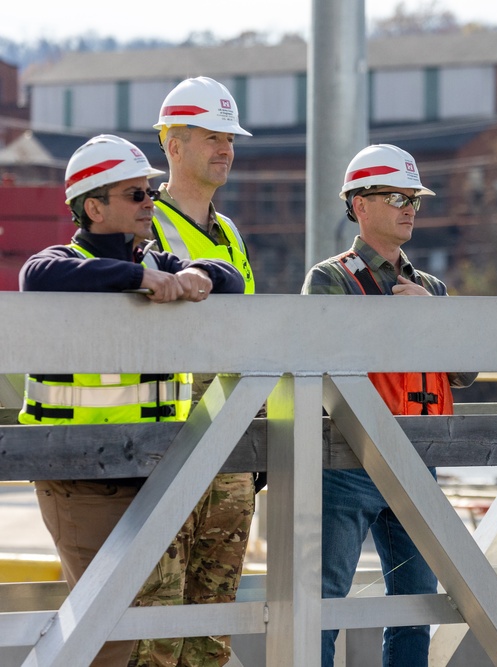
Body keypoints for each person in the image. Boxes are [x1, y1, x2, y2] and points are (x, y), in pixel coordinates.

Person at [19, 134, 245, 667]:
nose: (150, 203)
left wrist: (193, 272)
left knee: (148, 634)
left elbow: (230, 279)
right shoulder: (60, 263)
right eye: (135, 195)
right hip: (81, 481)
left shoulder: (159, 260)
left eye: (149, 191)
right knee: (111, 636)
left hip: (152, 474)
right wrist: (137, 278)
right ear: (93, 206)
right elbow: (38, 276)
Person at [301, 144, 476, 667]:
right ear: (359, 205)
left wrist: (434, 321)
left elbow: (466, 372)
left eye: (415, 199)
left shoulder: (432, 289)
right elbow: (322, 359)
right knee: (324, 603)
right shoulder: (329, 279)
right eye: (397, 196)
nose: (410, 208)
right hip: (346, 459)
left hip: (417, 458)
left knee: (414, 605)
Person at [131, 76, 258, 667]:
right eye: (212, 137)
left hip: (231, 452)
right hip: (166, 447)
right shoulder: (142, 226)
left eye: (230, 138)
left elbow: (253, 339)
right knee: (153, 634)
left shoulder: (230, 232)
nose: (226, 150)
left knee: (213, 631)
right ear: (173, 145)